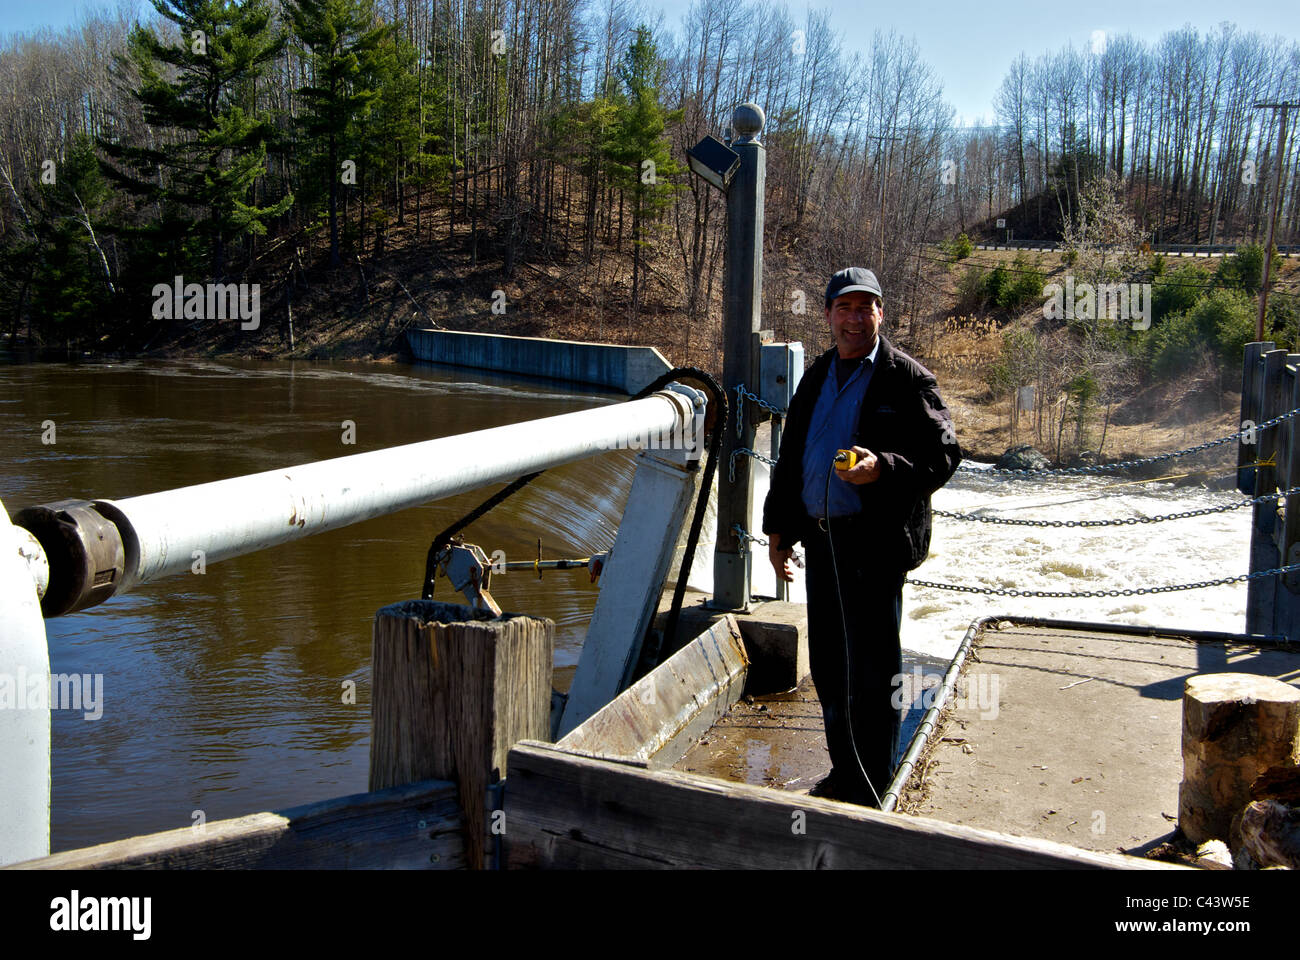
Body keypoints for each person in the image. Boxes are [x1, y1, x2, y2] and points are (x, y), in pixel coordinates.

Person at [762, 266, 960, 807]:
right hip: (822, 544)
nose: (853, 318)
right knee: (830, 667)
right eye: (843, 308)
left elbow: (945, 456)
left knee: (873, 674)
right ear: (827, 315)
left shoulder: (907, 378)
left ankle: (872, 788)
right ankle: (844, 774)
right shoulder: (817, 375)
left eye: (864, 307)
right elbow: (793, 458)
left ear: (880, 312)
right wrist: (779, 531)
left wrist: (884, 468)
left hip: (873, 547)